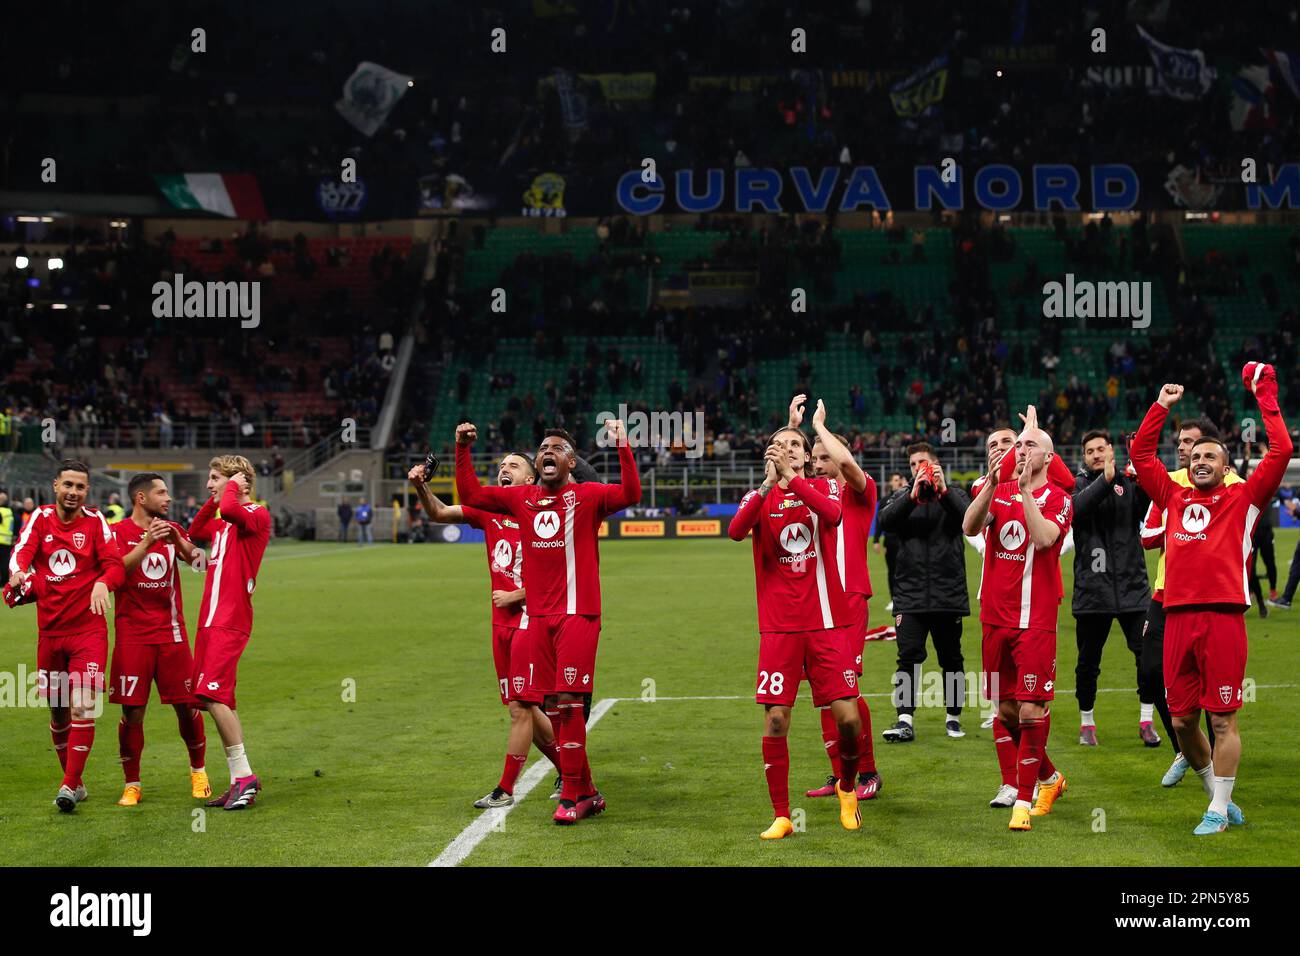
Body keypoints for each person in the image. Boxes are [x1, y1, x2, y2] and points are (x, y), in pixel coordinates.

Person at [1129, 367, 1291, 834]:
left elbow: (1280, 450)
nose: (1200, 460)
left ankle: (1219, 810)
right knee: (1181, 723)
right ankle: (1217, 795)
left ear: (1225, 465)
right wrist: (1161, 404)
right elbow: (1141, 453)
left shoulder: (1244, 498)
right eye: (1195, 455)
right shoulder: (1174, 495)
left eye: (1210, 456)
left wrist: (1265, 394)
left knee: (1222, 721)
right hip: (1176, 617)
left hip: (1222, 620)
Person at [455, 421, 640, 825]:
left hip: (578, 613)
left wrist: (624, 444)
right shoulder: (522, 499)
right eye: (542, 448)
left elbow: (630, 493)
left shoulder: (587, 496)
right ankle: (587, 791)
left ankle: (571, 795)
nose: (547, 451)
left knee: (571, 705)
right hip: (538, 619)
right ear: (538, 463)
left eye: (557, 447)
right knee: (555, 708)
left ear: (571, 462)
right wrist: (463, 449)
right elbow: (470, 494)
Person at [729, 425, 864, 839]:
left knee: (849, 721)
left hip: (825, 623)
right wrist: (771, 482)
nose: (785, 449)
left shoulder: (825, 488)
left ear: (806, 457)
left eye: (794, 445)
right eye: (777, 444)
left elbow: (835, 516)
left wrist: (793, 479)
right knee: (775, 721)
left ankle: (846, 787)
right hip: (779, 629)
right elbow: (735, 531)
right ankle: (782, 815)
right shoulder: (758, 496)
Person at [408, 453, 563, 808]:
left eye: (514, 466)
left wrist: (517, 594)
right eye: (501, 466)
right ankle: (572, 770)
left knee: (520, 708)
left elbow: (558, 575)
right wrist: (421, 487)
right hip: (500, 623)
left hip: (529, 619)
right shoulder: (490, 510)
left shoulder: (543, 515)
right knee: (521, 706)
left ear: (530, 478)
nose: (504, 470)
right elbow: (440, 513)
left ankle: (505, 789)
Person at [963, 416, 1073, 830]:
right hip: (994, 619)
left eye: (1030, 445)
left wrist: (1027, 491)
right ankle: (1049, 776)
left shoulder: (1060, 498)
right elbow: (970, 525)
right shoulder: (996, 490)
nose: (1022, 451)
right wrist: (995, 483)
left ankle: (1023, 803)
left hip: (1036, 621)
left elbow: (1044, 539)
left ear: (1048, 456)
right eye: (1018, 445)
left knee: (1030, 712)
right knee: (1006, 711)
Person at [5, 460, 125, 812]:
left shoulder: (95, 521)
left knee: (83, 706)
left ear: (87, 491)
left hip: (88, 631)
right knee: (58, 714)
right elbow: (20, 554)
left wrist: (103, 582)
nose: (73, 492)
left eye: (80, 487)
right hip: (51, 634)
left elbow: (115, 564)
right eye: (68, 485)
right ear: (56, 485)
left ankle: (69, 786)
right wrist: (18, 575)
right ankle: (77, 782)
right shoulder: (40, 519)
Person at [788, 396, 882, 801]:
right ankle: (840, 774)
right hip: (813, 606)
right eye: (816, 457)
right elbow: (780, 468)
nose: (819, 462)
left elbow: (848, 467)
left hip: (849, 601)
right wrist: (791, 428)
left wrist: (820, 427)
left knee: (846, 691)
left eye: (825, 456)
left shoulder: (860, 492)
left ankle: (869, 773)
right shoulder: (809, 494)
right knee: (825, 695)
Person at [1138, 417, 1241, 786]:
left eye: (1192, 444)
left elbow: (1245, 526)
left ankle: (1216, 773)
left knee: (1218, 705)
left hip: (1217, 597)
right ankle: (1187, 749)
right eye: (1182, 444)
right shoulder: (1171, 485)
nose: (1183, 450)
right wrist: (1177, 525)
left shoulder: (1233, 486)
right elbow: (1147, 534)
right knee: (1152, 672)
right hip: (1168, 592)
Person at [109, 473, 210, 806]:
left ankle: (199, 772)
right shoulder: (116, 533)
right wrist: (146, 544)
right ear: (141, 497)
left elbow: (200, 562)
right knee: (133, 713)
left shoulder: (173, 530)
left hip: (171, 634)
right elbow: (113, 573)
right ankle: (132, 783)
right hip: (132, 637)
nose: (168, 498)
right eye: (161, 492)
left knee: (186, 707)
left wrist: (179, 542)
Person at [188, 455, 272, 811]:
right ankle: (239, 777)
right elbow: (194, 531)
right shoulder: (222, 528)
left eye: (214, 478)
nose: (209, 484)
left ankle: (246, 778)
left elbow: (232, 510)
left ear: (238, 482)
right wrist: (218, 495)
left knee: (212, 693)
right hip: (210, 620)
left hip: (230, 619)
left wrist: (233, 487)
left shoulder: (255, 515)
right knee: (212, 698)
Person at [878, 441, 972, 742]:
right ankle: (904, 718)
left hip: (948, 593)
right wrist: (912, 495)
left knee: (951, 659)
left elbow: (970, 521)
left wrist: (943, 491)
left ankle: (953, 717)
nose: (918, 468)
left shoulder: (955, 494)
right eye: (913, 465)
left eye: (923, 463)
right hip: (910, 593)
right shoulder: (902, 496)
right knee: (907, 657)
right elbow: (885, 522)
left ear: (936, 465)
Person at [1070, 430, 1157, 747]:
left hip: (1133, 590)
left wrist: (1143, 467)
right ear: (1084, 457)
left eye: (1101, 448)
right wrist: (1105, 480)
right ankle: (1087, 723)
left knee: (1147, 659)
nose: (1095, 454)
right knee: (1088, 663)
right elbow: (1077, 511)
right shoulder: (1078, 485)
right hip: (1093, 593)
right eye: (1089, 450)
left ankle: (1146, 720)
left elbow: (1153, 502)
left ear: (1111, 450)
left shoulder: (1129, 485)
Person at [873, 472, 906, 611]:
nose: (896, 482)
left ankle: (905, 598)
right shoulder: (885, 500)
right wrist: (876, 540)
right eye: (894, 480)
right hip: (890, 542)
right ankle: (894, 599)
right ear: (890, 483)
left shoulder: (906, 498)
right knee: (892, 571)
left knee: (906, 570)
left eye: (899, 480)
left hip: (905, 541)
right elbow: (879, 522)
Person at [0, 489, 14, 574]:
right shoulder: (9, 511)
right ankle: (4, 581)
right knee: (5, 563)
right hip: (7, 541)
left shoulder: (1, 511)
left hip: (0, 540)